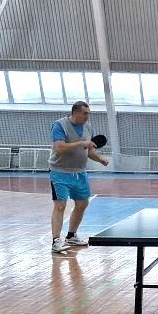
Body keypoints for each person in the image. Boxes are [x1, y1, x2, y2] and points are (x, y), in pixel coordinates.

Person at [49, 101, 109, 254]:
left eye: (88, 113)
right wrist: (81, 143)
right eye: (85, 113)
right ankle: (56, 241)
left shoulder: (88, 127)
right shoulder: (60, 125)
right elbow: (59, 148)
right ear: (75, 112)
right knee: (60, 205)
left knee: (82, 204)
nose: (87, 116)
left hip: (80, 172)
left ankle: (71, 236)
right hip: (60, 172)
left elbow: (89, 151)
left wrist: (100, 159)